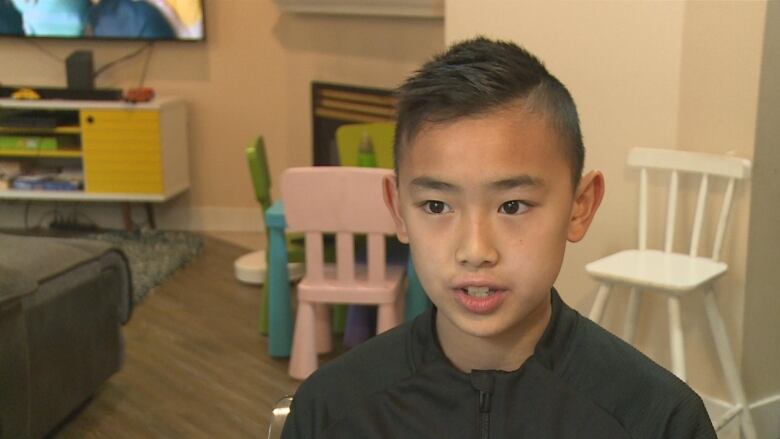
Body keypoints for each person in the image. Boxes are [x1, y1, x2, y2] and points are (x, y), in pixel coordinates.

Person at [281, 37, 717, 438]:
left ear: (579, 206)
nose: (475, 251)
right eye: (437, 206)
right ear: (397, 209)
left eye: (512, 206)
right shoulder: (330, 410)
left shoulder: (660, 420)